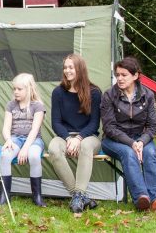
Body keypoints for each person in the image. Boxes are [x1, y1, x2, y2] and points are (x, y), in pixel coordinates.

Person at [101, 57, 156, 212]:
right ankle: (141, 198)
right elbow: (109, 128)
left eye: (124, 75)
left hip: (140, 138)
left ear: (135, 76)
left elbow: (153, 126)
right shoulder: (109, 95)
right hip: (113, 140)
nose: (119, 78)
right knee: (128, 153)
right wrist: (132, 143)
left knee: (150, 152)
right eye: (117, 75)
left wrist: (141, 142)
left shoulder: (147, 95)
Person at [48, 54, 101, 213]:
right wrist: (68, 138)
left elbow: (94, 123)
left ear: (80, 69)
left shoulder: (94, 92)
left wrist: (78, 138)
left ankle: (78, 195)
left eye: (71, 67)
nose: (67, 70)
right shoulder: (58, 92)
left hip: (89, 137)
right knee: (53, 148)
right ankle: (79, 196)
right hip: (66, 136)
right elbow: (56, 122)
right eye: (65, 67)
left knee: (85, 145)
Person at [0, 73, 47, 207]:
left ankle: (37, 196)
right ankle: (5, 195)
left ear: (29, 89)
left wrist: (25, 148)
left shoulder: (38, 106)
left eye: (19, 89)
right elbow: (6, 127)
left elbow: (34, 130)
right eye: (14, 89)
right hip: (15, 139)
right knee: (5, 155)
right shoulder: (11, 105)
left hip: (34, 140)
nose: (16, 92)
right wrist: (8, 140)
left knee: (34, 156)